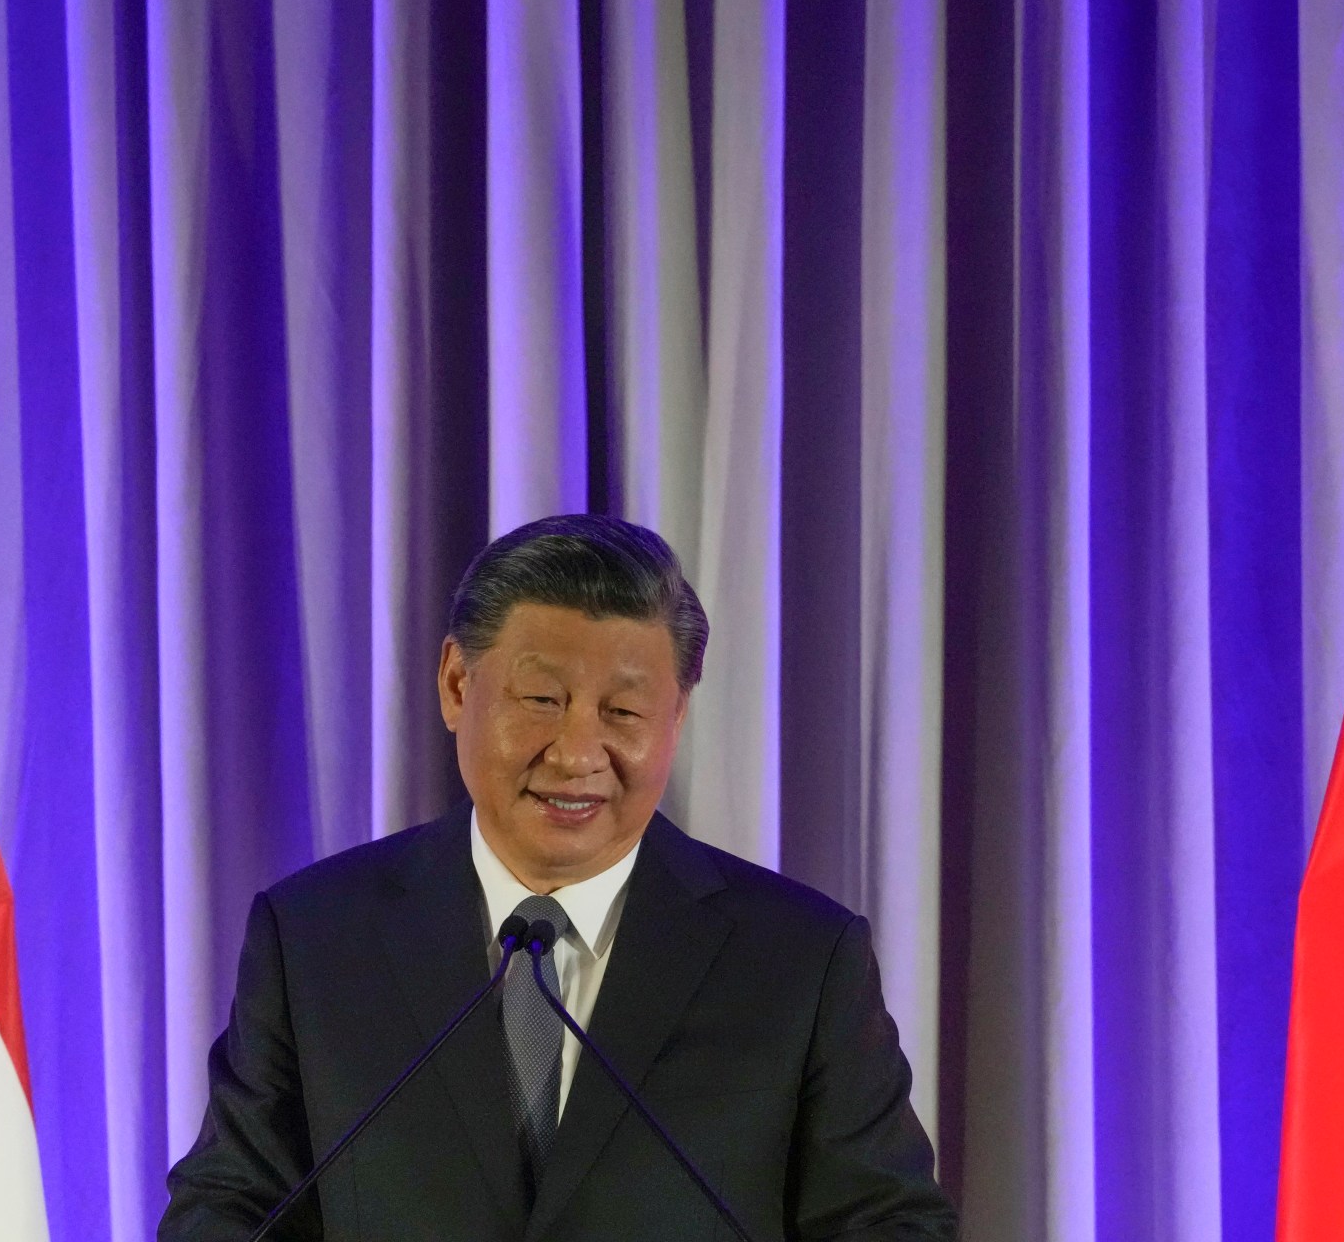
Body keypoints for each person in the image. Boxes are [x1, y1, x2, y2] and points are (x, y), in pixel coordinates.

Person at [159, 514, 958, 1240]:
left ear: (676, 716)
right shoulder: (317, 938)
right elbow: (227, 1211)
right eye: (541, 698)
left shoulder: (799, 959)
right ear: (456, 685)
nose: (578, 755)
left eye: (624, 714)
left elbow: (890, 1225)